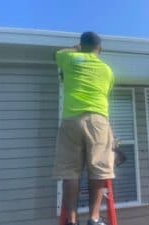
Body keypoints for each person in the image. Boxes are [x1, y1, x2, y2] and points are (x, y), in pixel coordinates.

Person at [53, 31, 115, 225]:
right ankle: (94, 218)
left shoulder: (69, 57)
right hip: (97, 120)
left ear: (80, 45)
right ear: (100, 49)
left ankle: (71, 220)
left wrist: (75, 49)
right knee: (98, 170)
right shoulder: (107, 70)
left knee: (70, 172)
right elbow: (106, 92)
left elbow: (57, 53)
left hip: (71, 119)